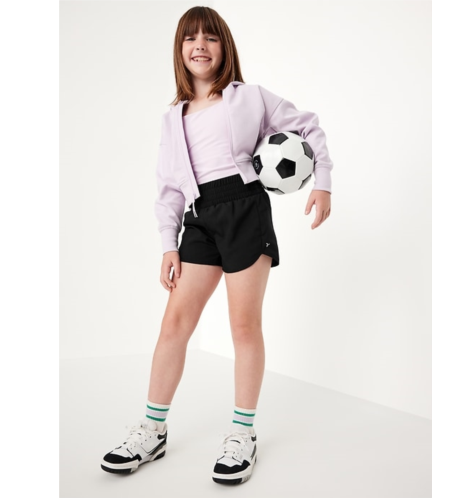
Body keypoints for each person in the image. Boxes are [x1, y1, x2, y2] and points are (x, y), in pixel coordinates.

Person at [101, 5, 333, 485]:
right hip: (199, 219)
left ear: (224, 47)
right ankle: (152, 429)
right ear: (180, 50)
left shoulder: (250, 98)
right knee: (174, 324)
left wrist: (323, 181)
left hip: (245, 209)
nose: (200, 45)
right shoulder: (173, 118)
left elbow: (308, 125)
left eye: (210, 37)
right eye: (190, 38)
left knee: (243, 326)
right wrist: (169, 244)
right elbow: (169, 186)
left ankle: (242, 434)